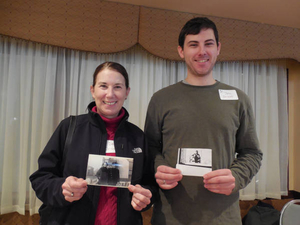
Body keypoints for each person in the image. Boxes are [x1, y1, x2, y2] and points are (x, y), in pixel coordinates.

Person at [144, 17, 263, 225]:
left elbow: (252, 153)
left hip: (223, 218)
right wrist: (158, 167)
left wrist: (236, 177)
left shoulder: (238, 99)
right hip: (170, 218)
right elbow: (149, 148)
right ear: (181, 51)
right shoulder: (161, 99)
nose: (202, 51)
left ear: (218, 48)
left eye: (208, 44)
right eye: (193, 45)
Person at [30, 61, 157, 225]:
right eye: (103, 86)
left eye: (117, 87)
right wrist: (61, 188)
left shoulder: (137, 137)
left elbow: (149, 184)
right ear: (93, 90)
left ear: (127, 92)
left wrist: (146, 196)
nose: (110, 94)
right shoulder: (70, 128)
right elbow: (41, 179)